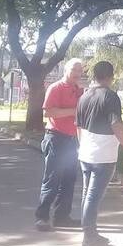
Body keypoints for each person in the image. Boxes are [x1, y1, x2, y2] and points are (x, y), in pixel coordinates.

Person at [75, 61, 123, 246]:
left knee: (87, 194)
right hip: (104, 154)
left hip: (86, 151)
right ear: (111, 76)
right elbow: (116, 125)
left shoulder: (84, 96)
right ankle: (89, 237)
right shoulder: (110, 96)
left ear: (94, 75)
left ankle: (90, 234)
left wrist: (82, 146)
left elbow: (78, 126)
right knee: (93, 196)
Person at [35, 58, 84, 231]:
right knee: (52, 179)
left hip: (72, 140)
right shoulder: (56, 87)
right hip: (56, 138)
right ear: (66, 70)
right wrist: (74, 111)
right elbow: (48, 112)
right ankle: (42, 217)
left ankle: (62, 216)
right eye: (74, 69)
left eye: (80, 70)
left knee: (69, 180)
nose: (77, 73)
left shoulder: (78, 90)